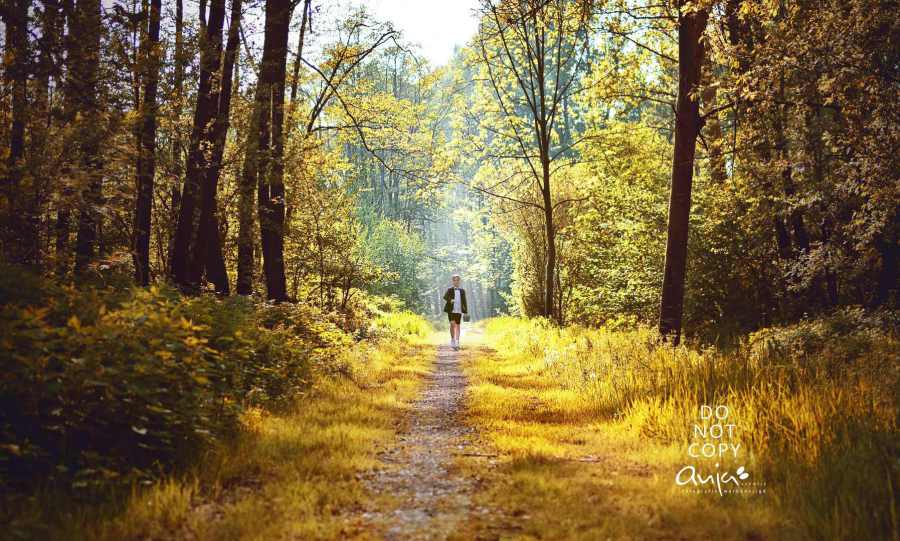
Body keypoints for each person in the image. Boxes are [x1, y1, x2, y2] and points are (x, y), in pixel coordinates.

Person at [442, 274, 468, 350]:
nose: (456, 281)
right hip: (451, 310)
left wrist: (465, 311)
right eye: (455, 280)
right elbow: (445, 297)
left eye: (457, 280)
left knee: (458, 325)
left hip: (459, 310)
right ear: (453, 281)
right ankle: (452, 339)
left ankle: (457, 341)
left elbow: (464, 301)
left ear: (459, 281)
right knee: (452, 324)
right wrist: (450, 300)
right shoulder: (449, 289)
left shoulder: (462, 290)